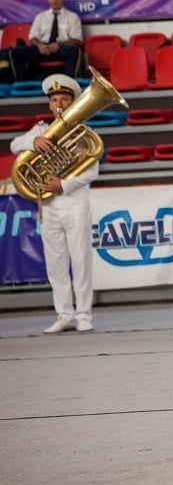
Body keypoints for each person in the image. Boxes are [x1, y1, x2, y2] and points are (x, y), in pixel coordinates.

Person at [10, 75, 96, 333]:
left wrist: (63, 184)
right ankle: (64, 314)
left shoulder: (84, 132)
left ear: (73, 103)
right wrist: (31, 142)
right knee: (55, 263)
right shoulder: (39, 130)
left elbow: (92, 172)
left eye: (64, 99)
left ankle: (84, 314)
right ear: (50, 105)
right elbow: (14, 145)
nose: (59, 104)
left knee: (81, 260)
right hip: (48, 206)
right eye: (55, 100)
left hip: (75, 202)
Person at [10, 0, 82, 81]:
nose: (54, 0)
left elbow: (77, 40)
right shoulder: (40, 17)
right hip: (42, 49)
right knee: (16, 51)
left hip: (61, 48)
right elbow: (32, 38)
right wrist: (40, 45)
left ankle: (69, 82)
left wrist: (59, 44)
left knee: (73, 49)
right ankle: (23, 84)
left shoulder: (73, 17)